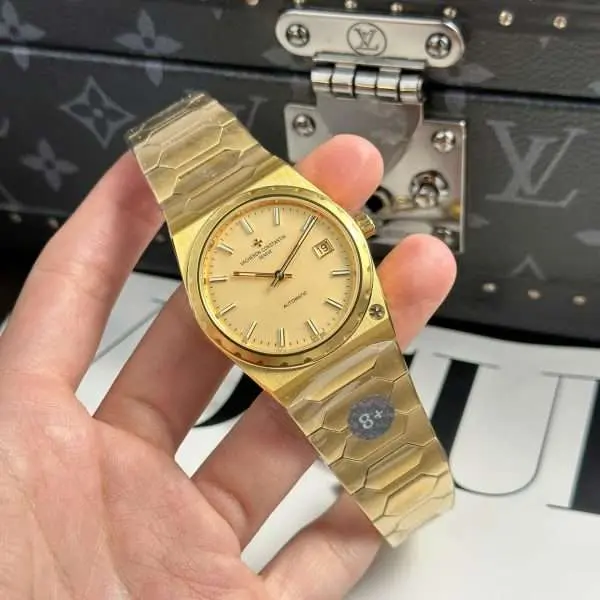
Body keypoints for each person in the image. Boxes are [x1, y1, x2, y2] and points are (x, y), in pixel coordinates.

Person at [0, 135, 456, 599]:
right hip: (288, 330)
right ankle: (411, 492)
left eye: (281, 271)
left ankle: (410, 490)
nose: (279, 275)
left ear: (354, 229)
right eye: (271, 274)